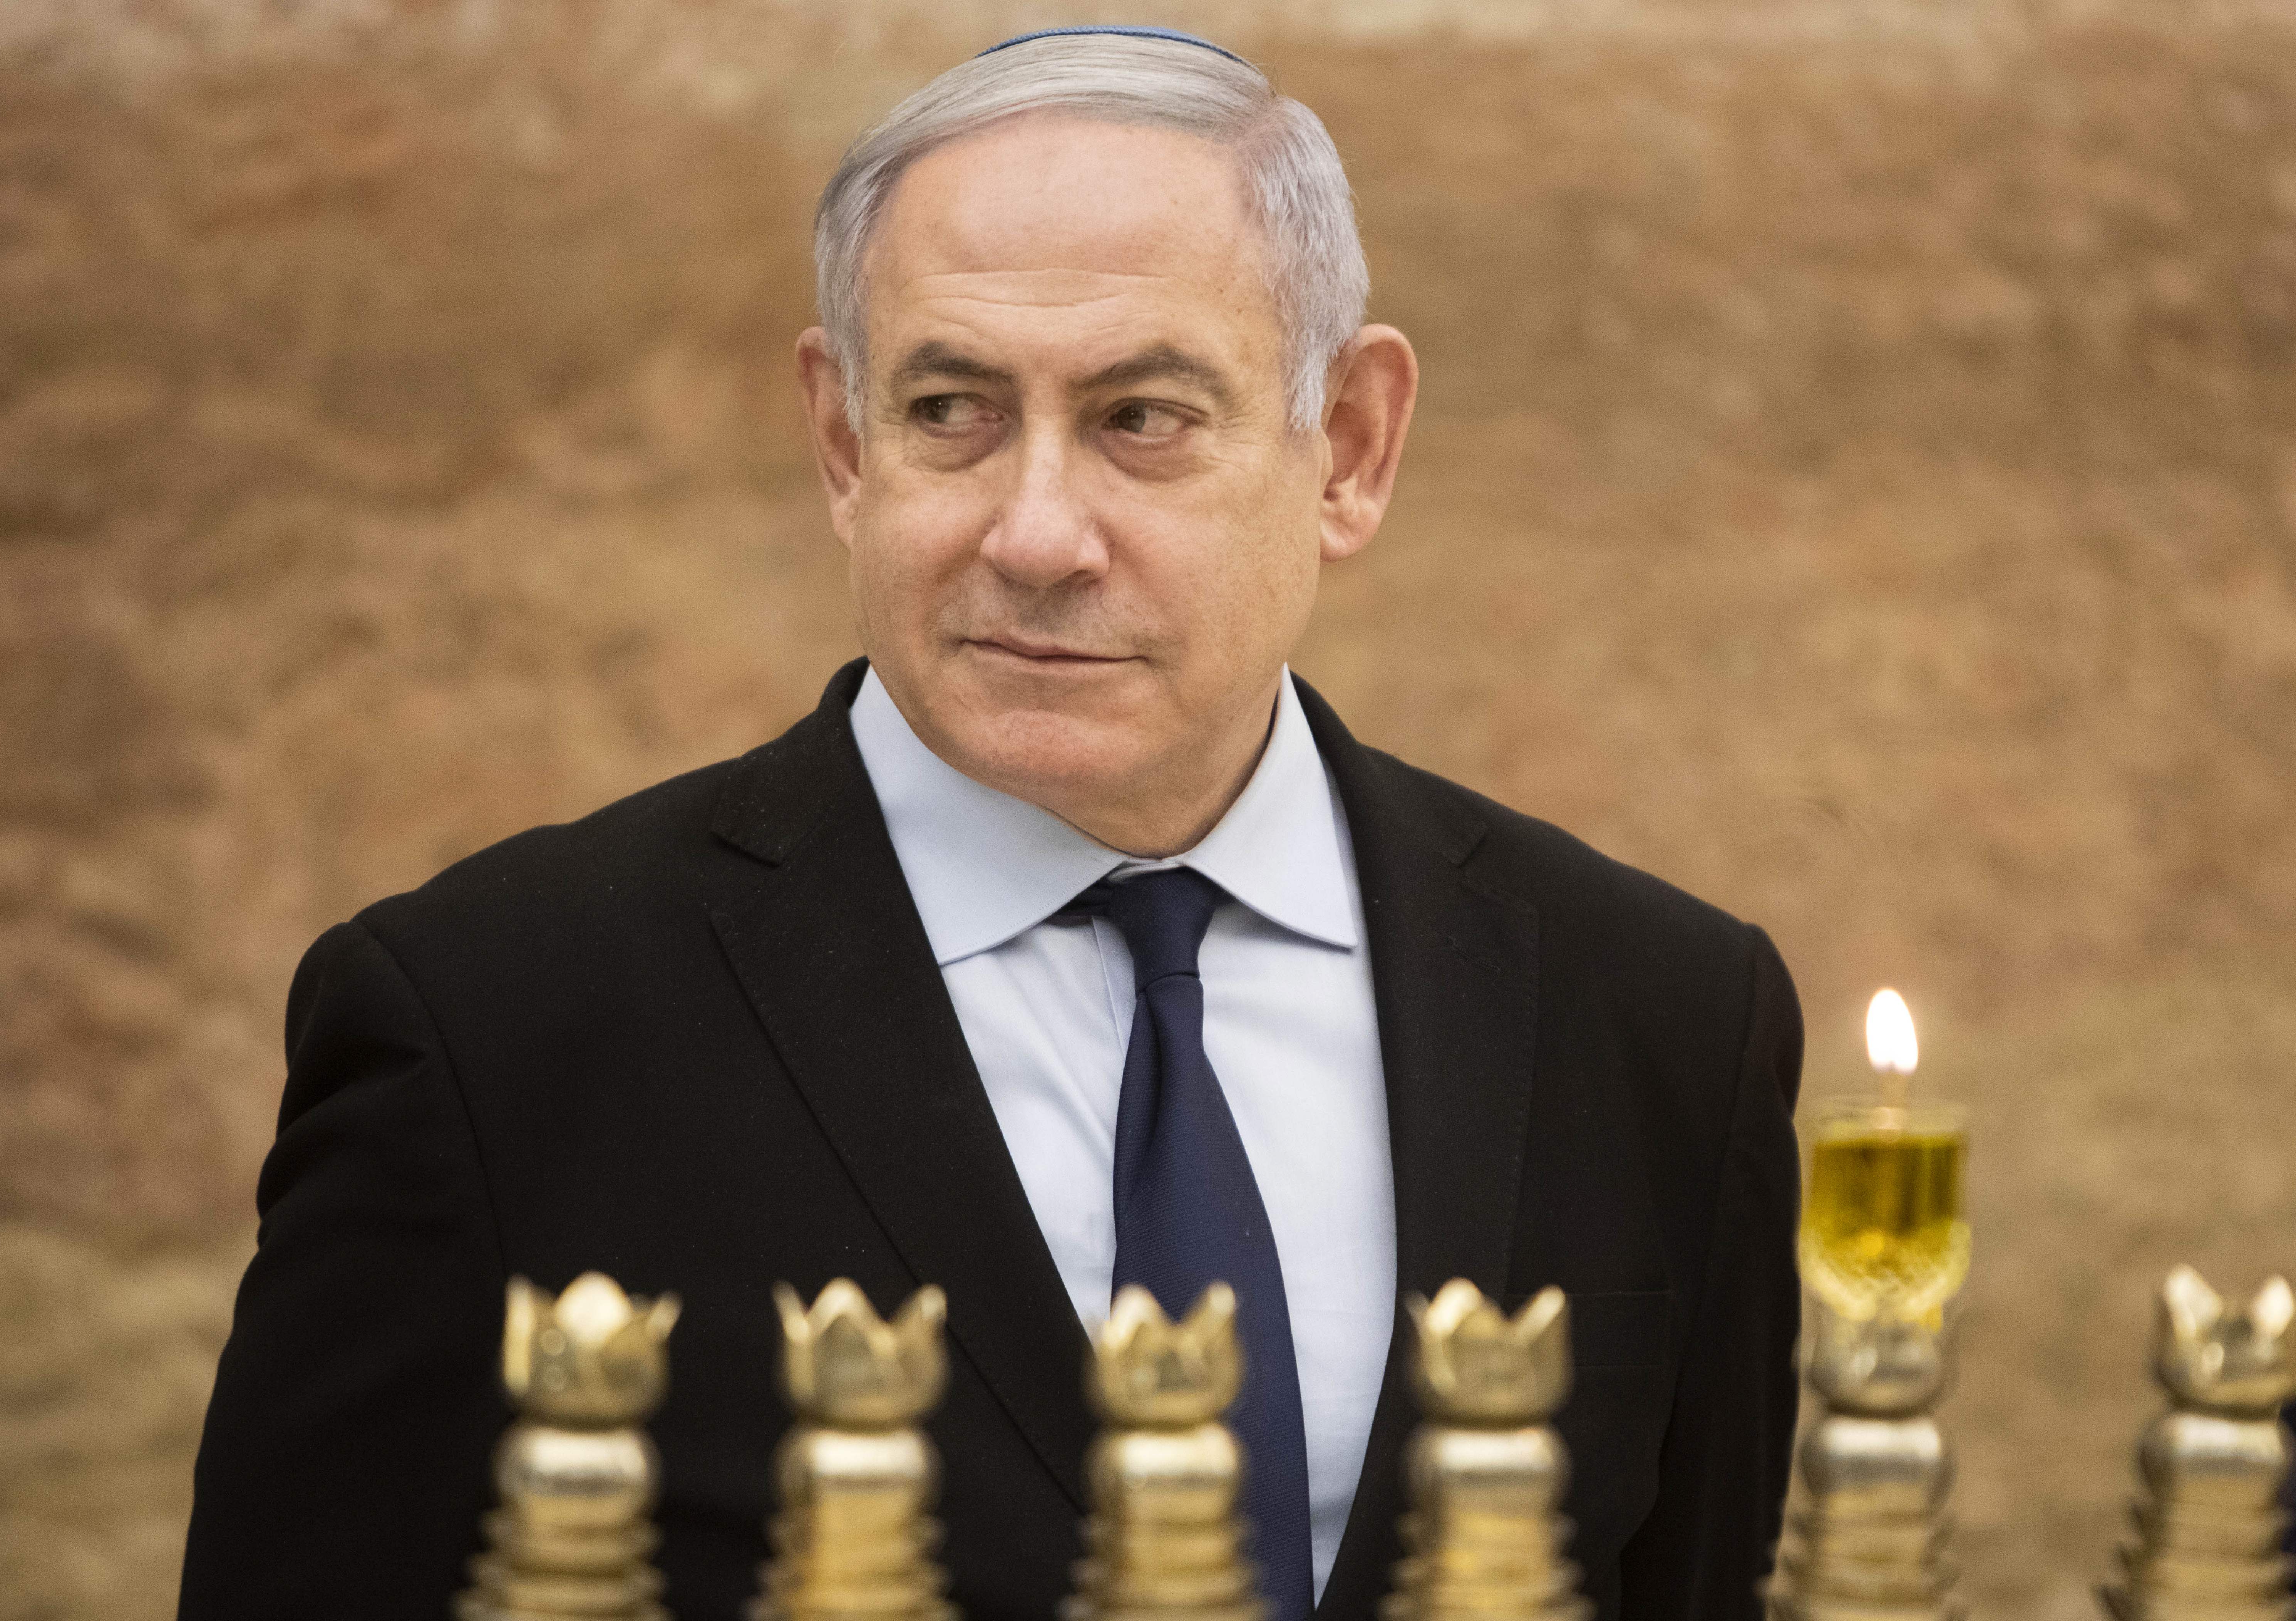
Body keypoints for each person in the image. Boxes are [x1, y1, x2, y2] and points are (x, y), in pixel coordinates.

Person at [179, 26, 1803, 1621]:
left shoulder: (1654, 1021)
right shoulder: (496, 1031)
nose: (1035, 535)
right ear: (841, 440)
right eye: (950, 408)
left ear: (1351, 450)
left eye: (1141, 418)